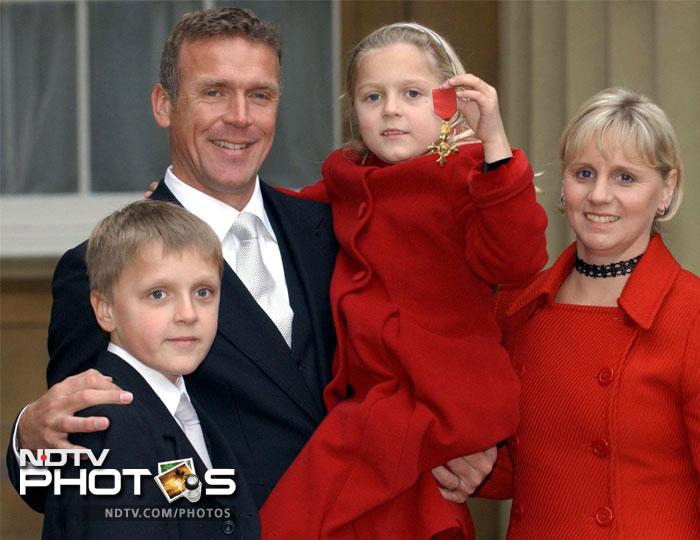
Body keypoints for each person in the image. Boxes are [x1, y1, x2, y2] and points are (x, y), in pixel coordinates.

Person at [7, 8, 492, 531]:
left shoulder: (339, 228)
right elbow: (79, 460)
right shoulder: (100, 268)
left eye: (259, 95)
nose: (240, 117)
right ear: (164, 105)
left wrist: (466, 441)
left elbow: (433, 334)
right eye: (214, 92)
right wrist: (27, 436)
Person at [259, 23, 548, 539]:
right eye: (374, 96)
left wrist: (495, 142)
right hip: (386, 398)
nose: (391, 109)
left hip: (441, 395)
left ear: (449, 101)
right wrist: (203, 212)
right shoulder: (348, 180)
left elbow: (517, 260)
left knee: (299, 511)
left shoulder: (469, 176)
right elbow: (286, 212)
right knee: (401, 520)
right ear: (355, 110)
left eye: (412, 93)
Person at [477, 87, 700, 538]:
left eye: (625, 178)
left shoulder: (691, 315)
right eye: (584, 173)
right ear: (563, 183)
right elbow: (520, 468)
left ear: (667, 188)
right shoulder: (517, 307)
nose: (599, 195)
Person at [41, 199, 260, 538]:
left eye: (203, 292)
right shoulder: (110, 427)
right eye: (158, 294)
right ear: (106, 309)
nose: (188, 313)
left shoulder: (178, 408)